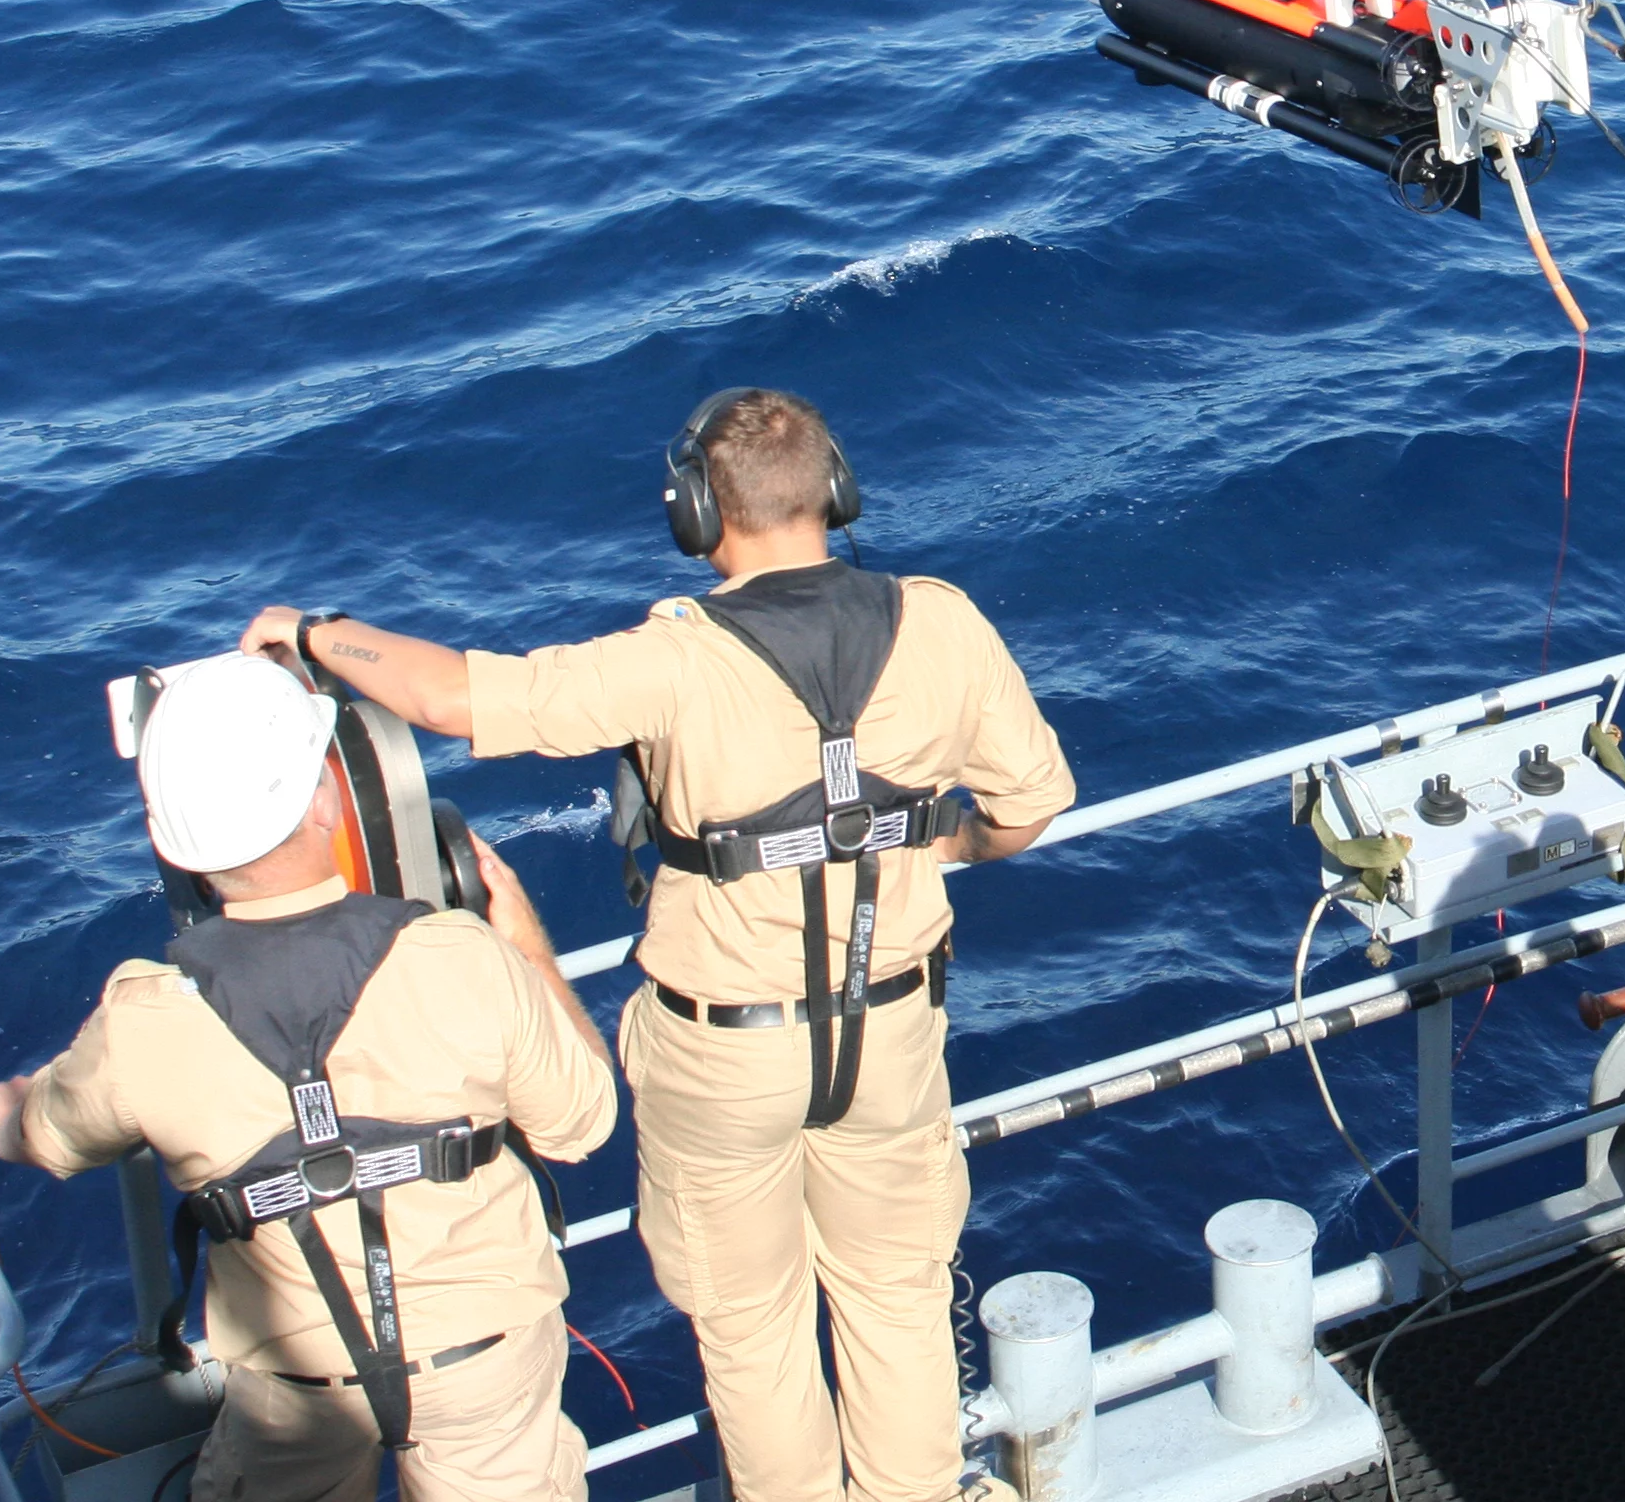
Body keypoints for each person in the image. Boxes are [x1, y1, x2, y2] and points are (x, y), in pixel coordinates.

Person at [234, 386, 1074, 1502]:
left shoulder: (672, 659)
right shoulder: (943, 621)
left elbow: (456, 699)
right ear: (835, 490)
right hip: (892, 1032)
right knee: (897, 1303)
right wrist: (944, 849)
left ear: (697, 515)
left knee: (754, 1334)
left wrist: (310, 633)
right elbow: (1032, 804)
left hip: (722, 1055)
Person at [0, 651, 618, 1501]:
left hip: (295, 1394)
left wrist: (1, 1109)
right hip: (485, 1361)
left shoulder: (146, 1019)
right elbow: (584, 1120)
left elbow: (41, 1136)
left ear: (169, 839)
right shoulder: (461, 957)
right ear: (324, 801)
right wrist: (525, 942)